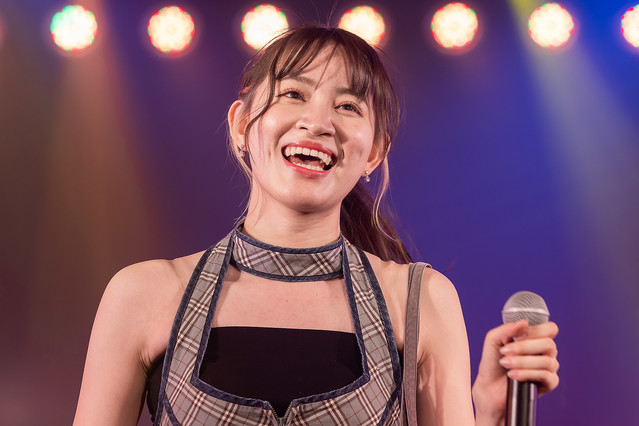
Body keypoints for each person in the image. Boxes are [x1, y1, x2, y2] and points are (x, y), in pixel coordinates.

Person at [74, 26, 559, 425]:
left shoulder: (420, 300)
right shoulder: (143, 294)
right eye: (293, 94)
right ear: (242, 124)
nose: (318, 121)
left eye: (348, 106)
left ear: (374, 151)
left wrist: (490, 413)